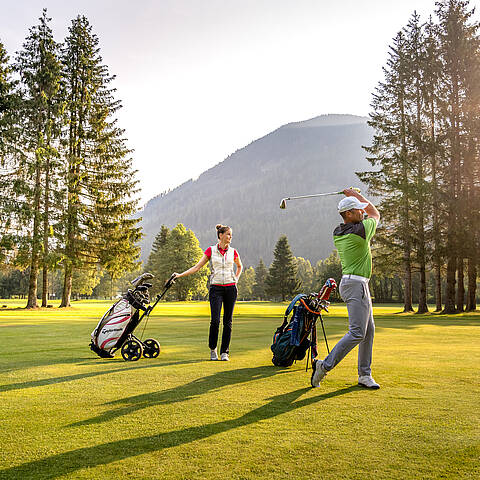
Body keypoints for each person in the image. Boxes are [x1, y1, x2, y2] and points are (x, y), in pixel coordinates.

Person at [311, 188, 381, 389]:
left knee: (369, 331)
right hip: (356, 284)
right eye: (358, 210)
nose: (362, 212)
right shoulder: (360, 231)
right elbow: (375, 213)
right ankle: (324, 366)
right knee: (358, 332)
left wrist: (352, 199)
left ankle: (364, 375)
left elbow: (366, 214)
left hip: (355, 284)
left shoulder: (340, 230)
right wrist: (354, 195)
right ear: (348, 214)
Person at [172, 224, 243, 361]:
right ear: (220, 235)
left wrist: (236, 279)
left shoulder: (233, 251)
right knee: (215, 321)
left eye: (231, 235)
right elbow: (197, 267)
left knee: (228, 322)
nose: (230, 237)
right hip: (216, 289)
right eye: (228, 234)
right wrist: (180, 275)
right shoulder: (211, 250)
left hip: (230, 289)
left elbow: (239, 266)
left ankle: (224, 353)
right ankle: (213, 349)